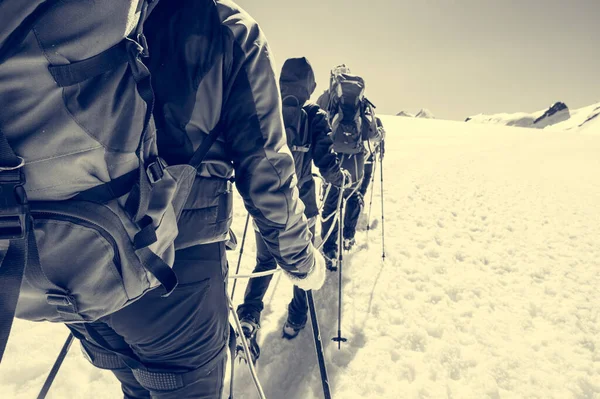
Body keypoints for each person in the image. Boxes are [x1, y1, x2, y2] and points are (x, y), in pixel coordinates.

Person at [63, 1, 326, 398]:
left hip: (72, 265)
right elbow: (267, 172)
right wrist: (302, 262)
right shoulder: (228, 26)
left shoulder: (84, 12)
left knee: (133, 382)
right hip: (175, 274)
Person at [235, 57, 349, 357]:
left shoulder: (266, 107)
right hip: (304, 207)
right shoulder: (315, 116)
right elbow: (326, 165)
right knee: (304, 264)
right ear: (309, 86)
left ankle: (248, 317)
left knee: (265, 262)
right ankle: (295, 320)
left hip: (265, 205)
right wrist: (342, 178)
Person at [319, 65, 384, 267]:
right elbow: (371, 133)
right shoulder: (360, 103)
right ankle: (348, 236)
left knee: (331, 203)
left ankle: (329, 249)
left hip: (333, 157)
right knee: (353, 195)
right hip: (355, 159)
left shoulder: (327, 98)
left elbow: (320, 124)